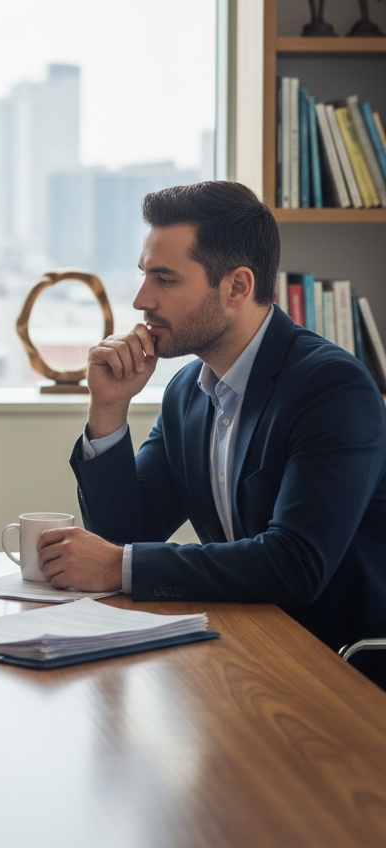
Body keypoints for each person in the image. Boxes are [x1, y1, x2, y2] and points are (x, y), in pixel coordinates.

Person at [38, 181, 386, 687]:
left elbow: (296, 564)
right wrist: (109, 408)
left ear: (237, 287)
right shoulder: (187, 391)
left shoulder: (331, 387)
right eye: (144, 275)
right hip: (248, 651)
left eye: (165, 279)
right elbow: (124, 536)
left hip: (339, 667)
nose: (141, 300)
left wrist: (121, 566)